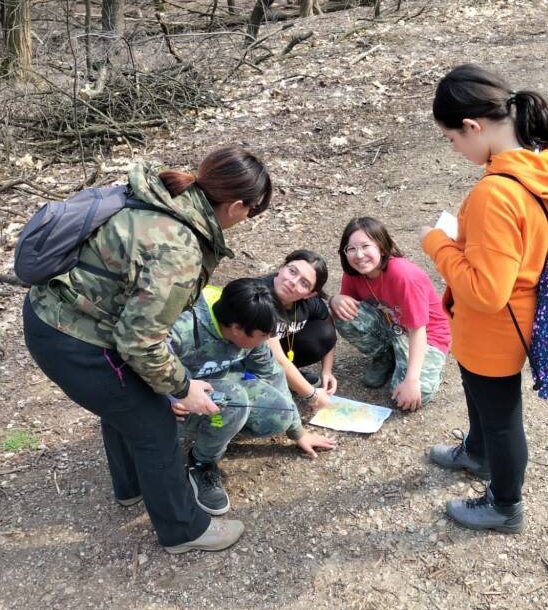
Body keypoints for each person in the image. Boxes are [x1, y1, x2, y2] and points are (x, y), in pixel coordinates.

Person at [23, 147, 272, 554]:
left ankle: (132, 487)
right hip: (75, 337)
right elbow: (139, 341)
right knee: (154, 425)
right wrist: (182, 386)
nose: (249, 219)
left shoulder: (164, 197)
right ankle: (185, 530)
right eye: (253, 211)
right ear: (237, 205)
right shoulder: (178, 247)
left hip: (54, 315)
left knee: (125, 405)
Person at [420, 63, 548, 534]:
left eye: (452, 139)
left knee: (502, 416)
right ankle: (477, 451)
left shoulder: (495, 193)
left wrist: (438, 244)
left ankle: (504, 505)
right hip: (522, 311)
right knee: (482, 398)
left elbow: (488, 292)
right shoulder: (544, 156)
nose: (454, 149)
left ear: (473, 127)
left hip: (497, 327)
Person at [169, 278, 337, 515]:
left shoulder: (251, 322)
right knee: (231, 400)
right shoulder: (183, 326)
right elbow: (140, 363)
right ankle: (202, 462)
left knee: (281, 414)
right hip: (172, 404)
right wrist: (171, 396)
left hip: (219, 389)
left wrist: (298, 431)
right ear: (237, 328)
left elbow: (272, 373)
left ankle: (216, 430)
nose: (264, 342)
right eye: (261, 336)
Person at [329, 217, 451, 411]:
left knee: (412, 397)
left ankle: (428, 365)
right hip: (391, 327)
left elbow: (418, 330)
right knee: (342, 312)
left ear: (382, 247)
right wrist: (334, 299)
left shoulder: (403, 275)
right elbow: (351, 310)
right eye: (351, 249)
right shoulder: (354, 274)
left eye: (365, 246)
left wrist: (412, 380)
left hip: (426, 336)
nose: (359, 255)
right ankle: (386, 356)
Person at [262, 250, 338, 410]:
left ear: (310, 294)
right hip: (242, 358)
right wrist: (312, 394)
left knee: (324, 333)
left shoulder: (310, 303)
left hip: (279, 351)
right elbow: (277, 358)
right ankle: (272, 381)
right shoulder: (260, 298)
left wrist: (327, 371)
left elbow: (329, 327)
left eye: (304, 283)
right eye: (292, 271)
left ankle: (288, 379)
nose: (293, 282)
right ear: (282, 266)